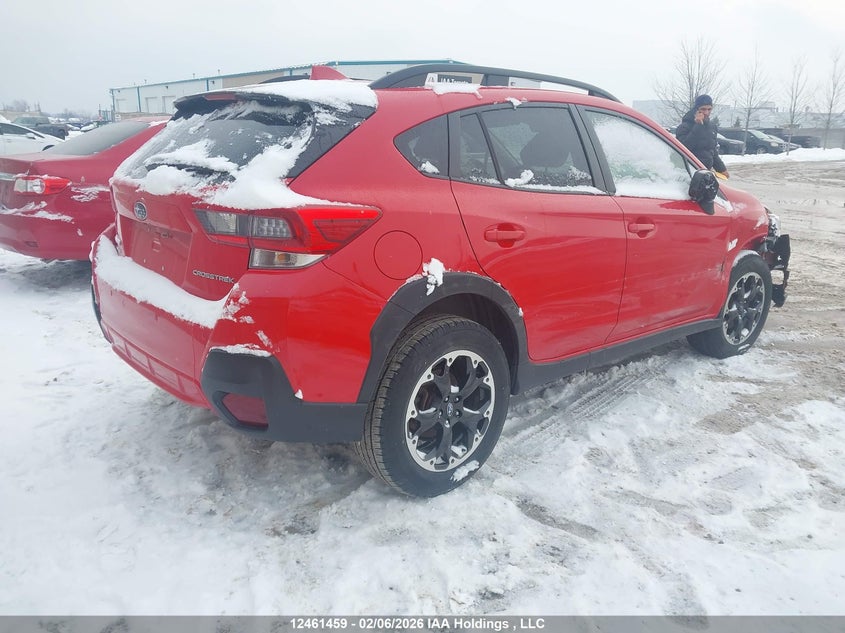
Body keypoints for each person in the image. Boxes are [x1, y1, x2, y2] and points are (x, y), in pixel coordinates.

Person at [676, 94, 729, 179]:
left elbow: (712, 150)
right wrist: (698, 126)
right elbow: (684, 148)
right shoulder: (684, 127)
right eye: (703, 109)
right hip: (688, 172)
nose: (706, 112)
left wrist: (721, 169)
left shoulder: (712, 127)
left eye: (709, 109)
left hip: (705, 173)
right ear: (696, 109)